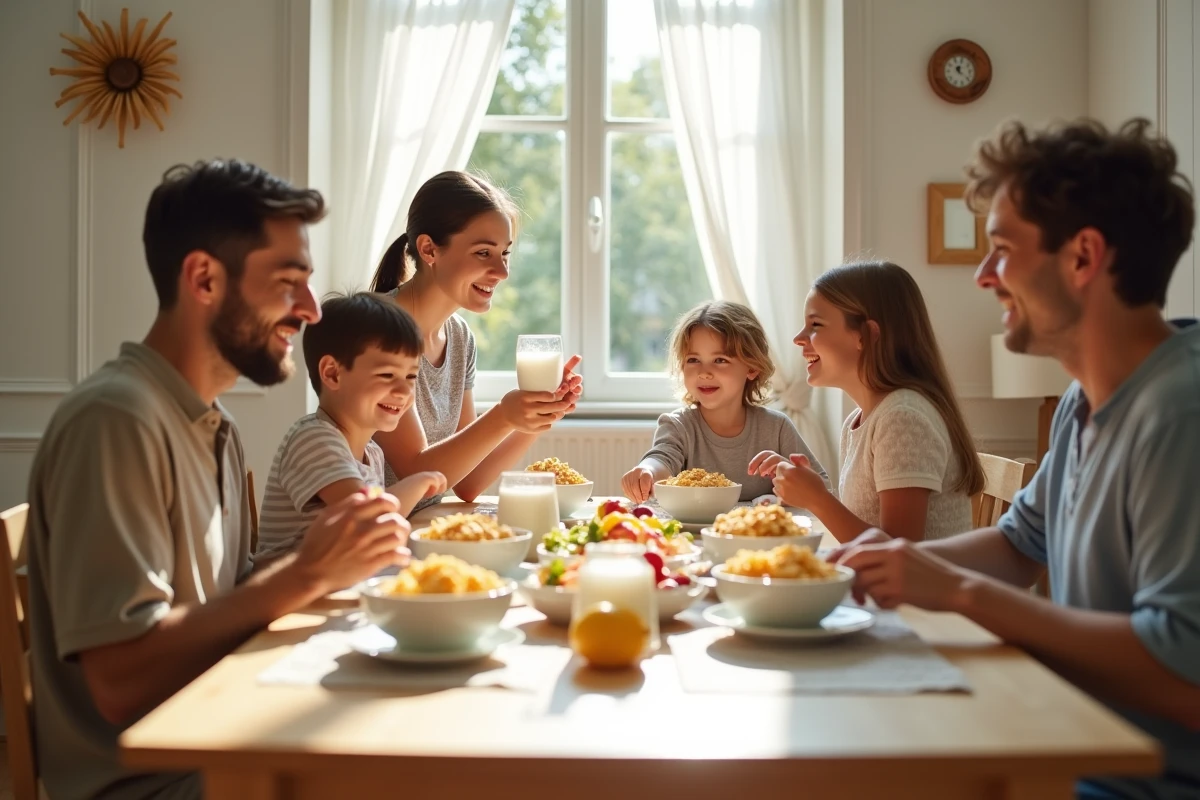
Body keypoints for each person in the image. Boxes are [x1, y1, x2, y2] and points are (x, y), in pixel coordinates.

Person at [833, 118, 1200, 799]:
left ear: (1083, 257)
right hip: (1068, 744)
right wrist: (879, 562)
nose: (982, 276)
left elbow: (1185, 676)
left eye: (1001, 250)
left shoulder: (1180, 412)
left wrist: (960, 593)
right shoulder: (1082, 401)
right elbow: (1018, 544)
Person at [25, 160, 410, 799]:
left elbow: (223, 606)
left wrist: (329, 564)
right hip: (154, 779)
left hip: (221, 732)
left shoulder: (211, 422)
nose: (310, 312)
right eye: (289, 283)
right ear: (204, 278)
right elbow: (121, 681)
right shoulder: (116, 420)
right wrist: (306, 573)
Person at [370, 171, 582, 508]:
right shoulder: (377, 329)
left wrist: (535, 418)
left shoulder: (459, 337)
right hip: (367, 540)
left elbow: (467, 482)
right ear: (429, 249)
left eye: (505, 254)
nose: (502, 272)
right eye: (484, 253)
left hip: (417, 528)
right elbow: (417, 475)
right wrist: (503, 416)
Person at [753, 262, 984, 542]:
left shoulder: (903, 418)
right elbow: (865, 527)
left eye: (815, 325)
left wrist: (818, 500)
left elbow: (899, 557)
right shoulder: (861, 420)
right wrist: (804, 490)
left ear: (865, 335)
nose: (799, 338)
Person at [255, 292, 447, 560]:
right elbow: (369, 518)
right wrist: (419, 482)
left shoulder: (373, 453)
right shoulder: (314, 438)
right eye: (387, 375)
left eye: (411, 376)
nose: (404, 390)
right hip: (289, 595)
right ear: (332, 373)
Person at [622, 300, 828, 503]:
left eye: (720, 360)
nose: (704, 373)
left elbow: (824, 491)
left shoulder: (777, 428)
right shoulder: (678, 426)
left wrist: (791, 479)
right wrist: (647, 470)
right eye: (693, 360)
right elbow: (662, 459)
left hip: (760, 535)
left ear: (752, 368)